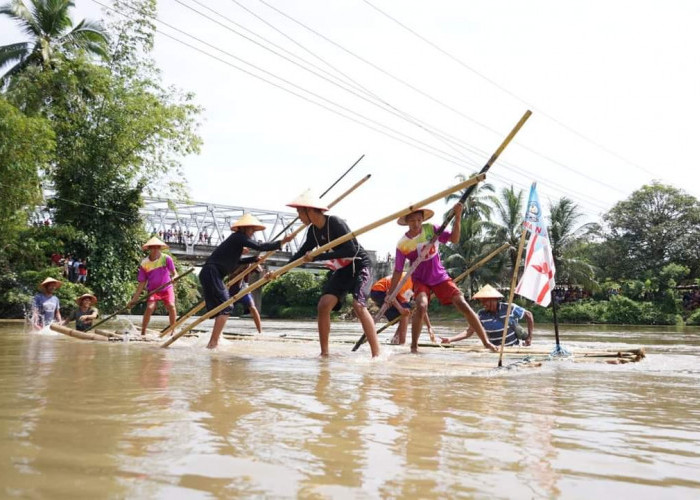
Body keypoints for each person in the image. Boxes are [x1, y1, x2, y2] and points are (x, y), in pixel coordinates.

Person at [387, 205, 497, 353]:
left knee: (462, 303)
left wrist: (458, 216)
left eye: (419, 220)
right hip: (420, 279)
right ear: (407, 222)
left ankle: (486, 342)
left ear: (422, 220)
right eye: (412, 221)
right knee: (421, 306)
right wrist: (391, 293)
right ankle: (414, 346)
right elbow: (398, 271)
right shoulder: (402, 244)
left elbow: (455, 239)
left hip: (439, 276)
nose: (416, 224)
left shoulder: (432, 229)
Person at [287, 190, 380, 358]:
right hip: (343, 269)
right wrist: (281, 270)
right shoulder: (313, 232)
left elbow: (351, 249)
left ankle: (376, 354)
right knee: (323, 305)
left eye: (300, 213)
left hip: (359, 265)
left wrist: (319, 256)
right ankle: (324, 354)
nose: (299, 218)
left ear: (310, 211)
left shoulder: (335, 222)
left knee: (359, 306)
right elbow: (301, 253)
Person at [200, 213, 293, 349]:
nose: (252, 234)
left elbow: (234, 263)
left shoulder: (235, 242)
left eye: (254, 231)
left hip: (211, 274)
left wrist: (253, 260)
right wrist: (282, 242)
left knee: (220, 310)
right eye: (251, 230)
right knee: (226, 307)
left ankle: (215, 339)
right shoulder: (238, 237)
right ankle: (213, 343)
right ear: (244, 228)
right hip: (212, 273)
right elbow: (260, 247)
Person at [440, 284, 534, 347]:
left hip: (513, 348)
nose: (483, 304)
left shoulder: (509, 308)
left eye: (485, 301)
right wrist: (450, 339)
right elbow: (469, 332)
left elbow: (529, 315)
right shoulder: (481, 315)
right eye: (482, 301)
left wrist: (529, 337)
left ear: (494, 299)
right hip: (495, 350)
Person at [128, 237, 178, 336]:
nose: (155, 250)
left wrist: (175, 278)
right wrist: (134, 299)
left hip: (166, 288)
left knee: (171, 306)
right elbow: (142, 283)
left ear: (160, 248)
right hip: (153, 290)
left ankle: (173, 330)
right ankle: (143, 332)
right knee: (150, 307)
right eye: (153, 248)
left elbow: (175, 273)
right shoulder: (144, 263)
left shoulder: (166, 258)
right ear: (149, 249)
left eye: (157, 248)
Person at [370, 273, 413, 345]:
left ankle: (396, 338)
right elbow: (390, 294)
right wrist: (400, 309)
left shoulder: (412, 286)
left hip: (388, 293)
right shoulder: (406, 280)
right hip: (379, 291)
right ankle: (402, 342)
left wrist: (429, 327)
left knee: (407, 312)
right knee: (404, 311)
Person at [228, 263, 264, 334]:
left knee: (253, 308)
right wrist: (240, 271)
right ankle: (218, 333)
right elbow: (231, 276)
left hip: (244, 290)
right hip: (233, 291)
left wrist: (256, 264)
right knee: (225, 311)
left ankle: (260, 332)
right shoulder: (233, 263)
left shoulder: (248, 264)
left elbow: (260, 270)